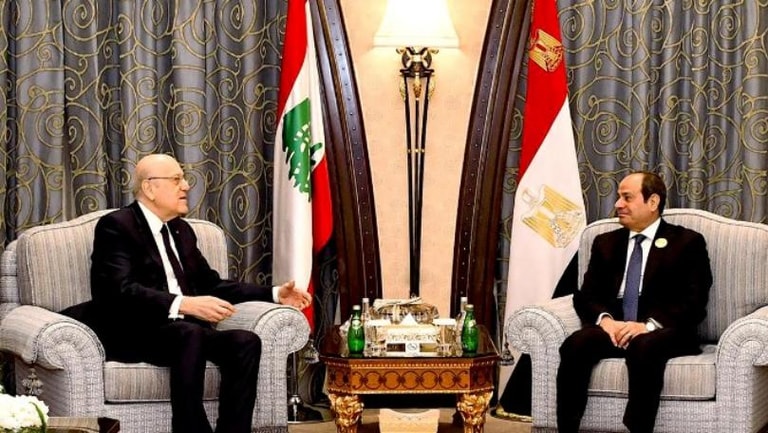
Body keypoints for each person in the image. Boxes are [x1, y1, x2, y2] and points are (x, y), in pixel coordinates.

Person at [88, 153, 312, 433]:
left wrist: (275, 293)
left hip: (184, 333)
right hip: (136, 330)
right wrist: (185, 304)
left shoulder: (181, 230)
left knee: (245, 342)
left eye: (183, 179)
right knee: (189, 333)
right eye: (176, 179)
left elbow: (211, 284)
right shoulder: (117, 226)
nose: (186, 186)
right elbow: (118, 290)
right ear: (149, 188)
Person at [556, 171, 712, 433]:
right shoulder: (605, 242)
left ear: (653, 202)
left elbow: (694, 302)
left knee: (644, 346)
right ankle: (567, 429)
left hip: (665, 329)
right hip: (616, 327)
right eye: (618, 197)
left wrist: (647, 326)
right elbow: (586, 296)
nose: (618, 204)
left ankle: (638, 428)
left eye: (627, 197)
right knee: (576, 343)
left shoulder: (687, 242)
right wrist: (606, 321)